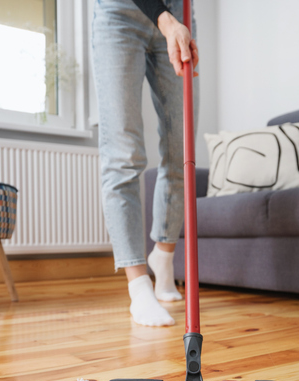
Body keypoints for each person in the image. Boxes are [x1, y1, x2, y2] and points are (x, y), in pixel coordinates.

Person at [92, 0, 199, 326]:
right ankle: (139, 288)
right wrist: (166, 23)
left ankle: (163, 258)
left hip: (179, 14)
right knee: (123, 154)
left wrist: (175, 20)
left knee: (183, 152)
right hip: (119, 13)